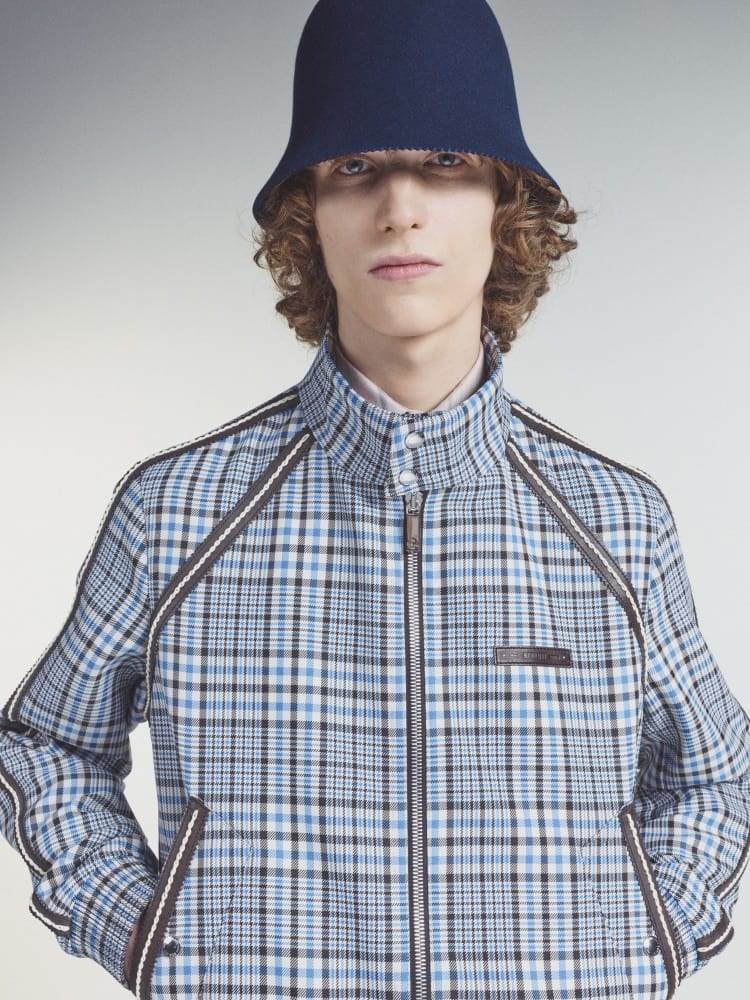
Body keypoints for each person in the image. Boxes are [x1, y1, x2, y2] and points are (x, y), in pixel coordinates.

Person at [2, 1, 749, 997]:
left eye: (445, 159)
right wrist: (147, 934)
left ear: (504, 206)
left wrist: (647, 938)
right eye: (355, 165)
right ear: (308, 213)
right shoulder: (176, 513)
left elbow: (715, 773)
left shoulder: (617, 522)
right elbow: (47, 743)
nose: (400, 206)